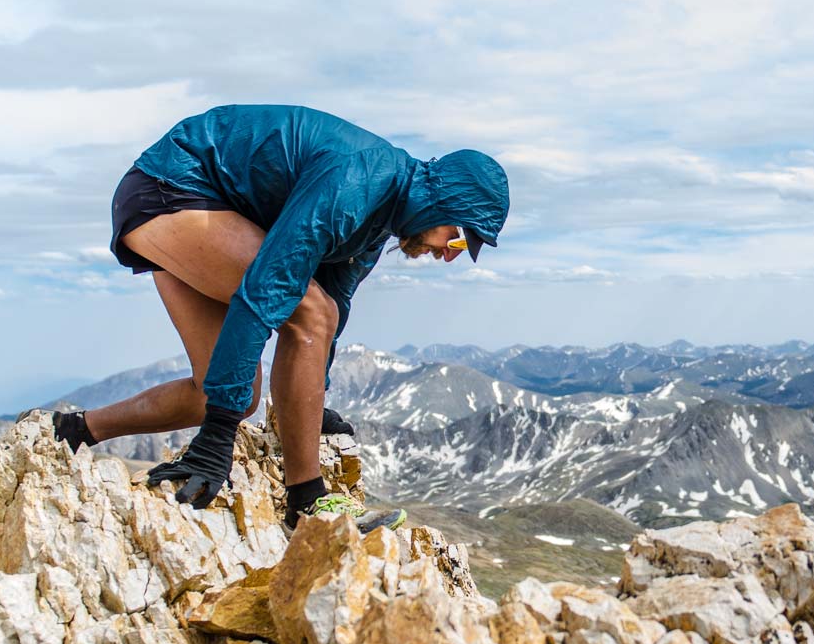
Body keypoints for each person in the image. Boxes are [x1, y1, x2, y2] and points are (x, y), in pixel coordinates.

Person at [40, 104, 509, 535]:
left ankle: (75, 430)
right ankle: (306, 500)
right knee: (305, 310)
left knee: (230, 391)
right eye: (457, 240)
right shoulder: (358, 183)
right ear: (443, 201)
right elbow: (270, 293)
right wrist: (217, 437)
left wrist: (307, 403)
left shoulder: (377, 224)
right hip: (174, 187)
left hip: (203, 205)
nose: (449, 256)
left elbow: (334, 313)